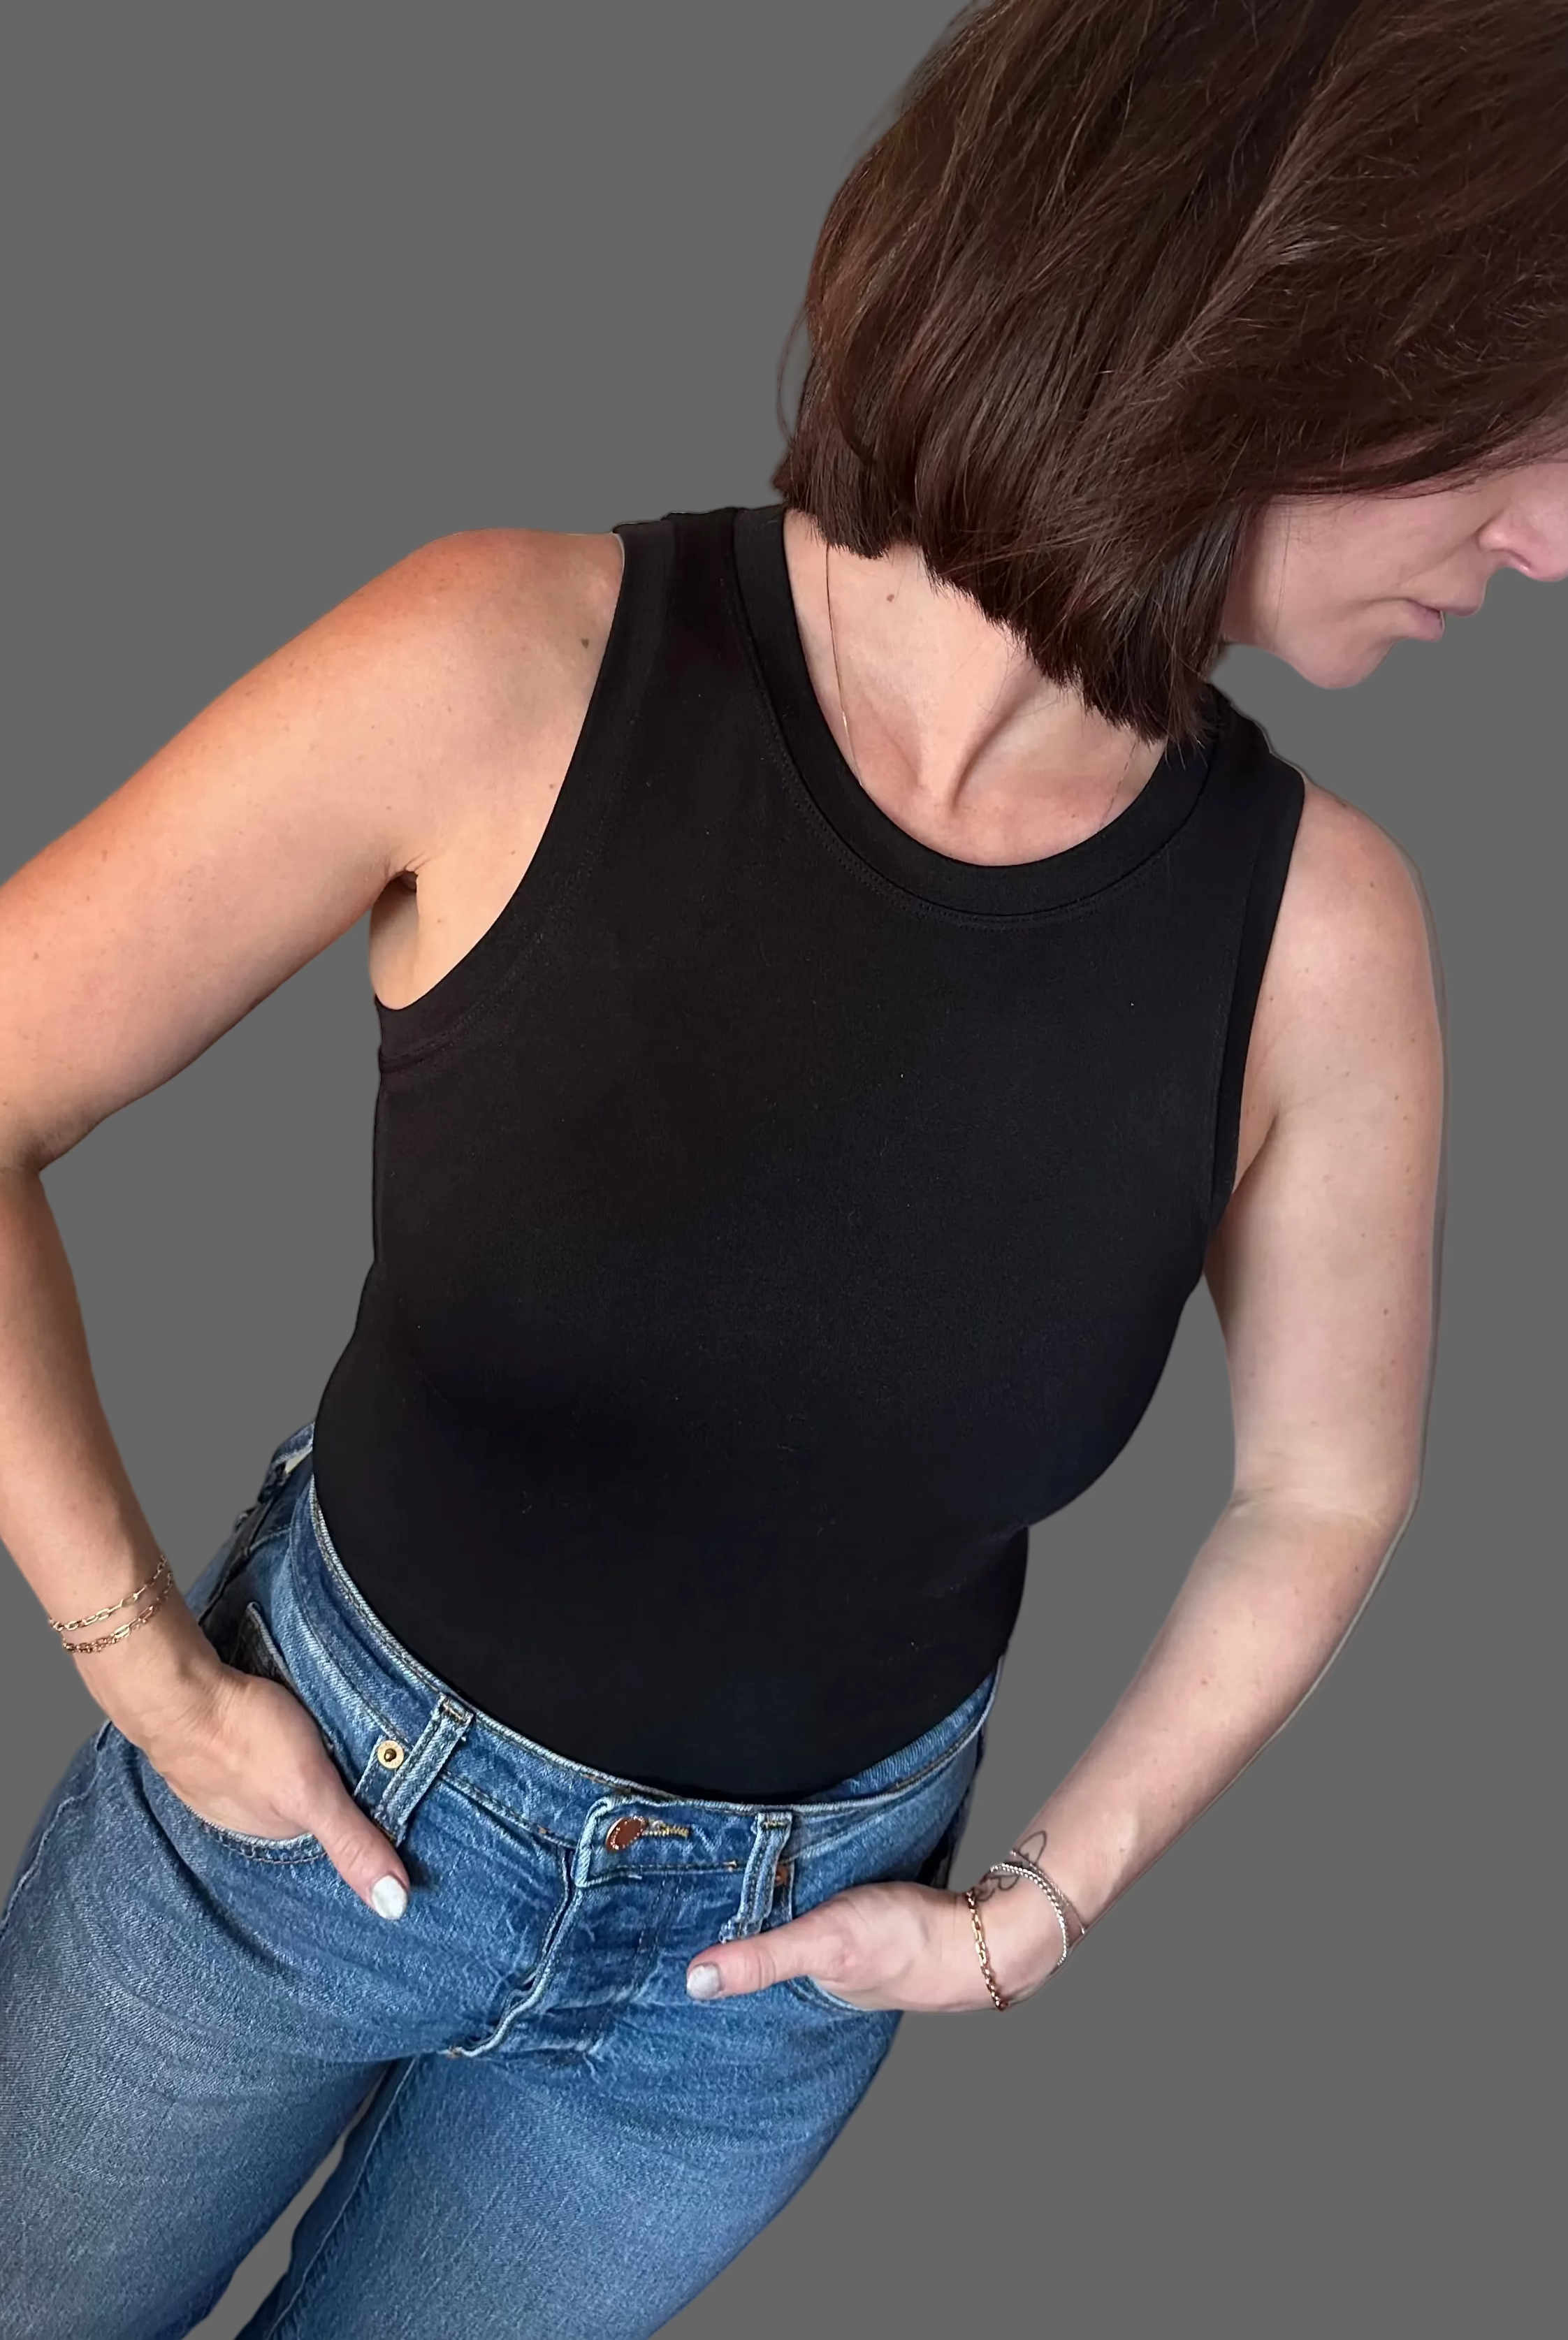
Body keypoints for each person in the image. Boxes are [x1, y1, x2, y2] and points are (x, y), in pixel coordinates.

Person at [0, 0, 1562, 2332]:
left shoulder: (1325, 936)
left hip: (745, 2008)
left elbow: (1323, 1488)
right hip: (293, 1825)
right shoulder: (509, 664)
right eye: (1511, 433)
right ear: (1257, 315)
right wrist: (145, 1668)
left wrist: (1040, 1904)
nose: (1549, 536)